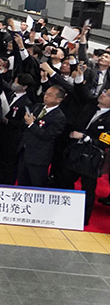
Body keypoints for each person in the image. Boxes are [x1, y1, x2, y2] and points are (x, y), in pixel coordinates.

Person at [61, 89, 110, 225]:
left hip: (91, 157)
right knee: (65, 181)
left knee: (88, 187)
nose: (103, 94)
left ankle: (83, 219)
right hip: (75, 151)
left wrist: (85, 137)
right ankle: (63, 211)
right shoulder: (90, 108)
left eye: (108, 95)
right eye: (105, 91)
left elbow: (105, 142)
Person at [16, 85, 67, 188]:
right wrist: (27, 121)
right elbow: (25, 124)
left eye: (50, 95)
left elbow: (48, 135)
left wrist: (31, 124)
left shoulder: (59, 117)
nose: (46, 96)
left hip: (38, 157)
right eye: (46, 93)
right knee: (22, 183)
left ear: (58, 100)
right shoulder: (37, 106)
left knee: (37, 184)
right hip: (25, 151)